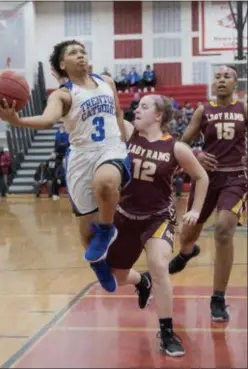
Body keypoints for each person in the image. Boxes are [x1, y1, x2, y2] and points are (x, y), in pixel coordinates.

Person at [0, 40, 130, 293]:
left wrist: (124, 140)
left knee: (106, 183)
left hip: (111, 149)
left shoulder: (107, 82)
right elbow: (47, 119)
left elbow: (119, 114)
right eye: (73, 53)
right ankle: (98, 262)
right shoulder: (63, 95)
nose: (80, 56)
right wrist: (17, 120)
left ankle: (108, 230)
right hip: (81, 157)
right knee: (87, 236)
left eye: (82, 51)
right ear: (62, 65)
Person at [105, 94, 209, 357]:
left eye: (144, 107)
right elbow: (116, 109)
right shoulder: (128, 133)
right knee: (114, 278)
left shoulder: (176, 148)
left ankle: (166, 332)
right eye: (137, 106)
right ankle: (142, 282)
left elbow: (201, 176)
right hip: (125, 216)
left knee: (160, 265)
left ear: (159, 115)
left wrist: (195, 209)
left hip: (158, 217)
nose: (136, 110)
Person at [169, 65, 247, 322]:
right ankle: (186, 252)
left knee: (224, 230)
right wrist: (197, 155)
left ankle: (218, 297)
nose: (221, 80)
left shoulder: (244, 108)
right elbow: (181, 144)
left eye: (227, 77)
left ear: (236, 83)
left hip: (236, 177)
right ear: (213, 83)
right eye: (218, 77)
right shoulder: (204, 110)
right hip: (206, 179)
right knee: (189, 231)